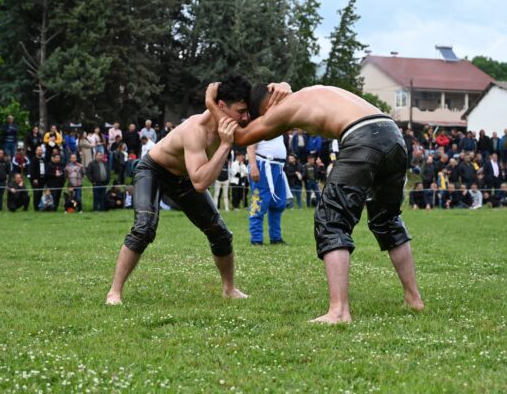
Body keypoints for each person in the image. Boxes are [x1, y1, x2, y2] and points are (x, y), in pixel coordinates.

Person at [205, 82, 424, 324]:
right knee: (387, 219)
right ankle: (413, 299)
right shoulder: (310, 92)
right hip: (392, 134)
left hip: (363, 137)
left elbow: (240, 137)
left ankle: (339, 312)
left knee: (331, 220)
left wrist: (211, 104)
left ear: (266, 108)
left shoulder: (283, 108)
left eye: (257, 117)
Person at [104, 75, 287, 306]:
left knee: (221, 234)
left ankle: (229, 289)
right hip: (154, 170)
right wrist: (225, 145)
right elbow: (200, 183)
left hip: (185, 177)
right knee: (144, 228)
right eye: (240, 111)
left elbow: (279, 117)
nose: (245, 117)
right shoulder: (195, 130)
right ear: (222, 106)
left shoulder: (234, 123)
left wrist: (283, 88)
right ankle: (114, 292)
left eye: (246, 111)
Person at [247, 133, 290, 245]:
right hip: (263, 165)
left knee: (278, 204)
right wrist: (253, 166)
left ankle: (275, 237)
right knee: (258, 202)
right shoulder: (261, 126)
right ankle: (256, 238)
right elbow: (250, 146)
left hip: (278, 167)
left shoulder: (279, 128)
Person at [29, 146, 47, 211]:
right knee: (36, 193)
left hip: (42, 179)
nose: (40, 151)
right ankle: (36, 208)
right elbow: (32, 170)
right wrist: (34, 178)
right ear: (36, 151)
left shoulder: (43, 159)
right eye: (39, 150)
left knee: (40, 193)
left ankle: (40, 206)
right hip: (35, 180)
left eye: (41, 150)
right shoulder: (33, 159)